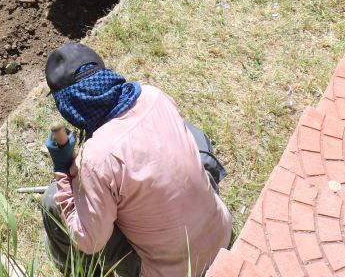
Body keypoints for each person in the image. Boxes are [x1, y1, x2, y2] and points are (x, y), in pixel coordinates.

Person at [40, 42, 231, 277]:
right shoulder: (154, 96)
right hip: (221, 237)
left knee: (53, 200)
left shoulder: (97, 158)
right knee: (192, 134)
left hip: (172, 272)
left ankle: (81, 271)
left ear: (68, 105)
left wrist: (63, 171)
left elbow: (90, 242)